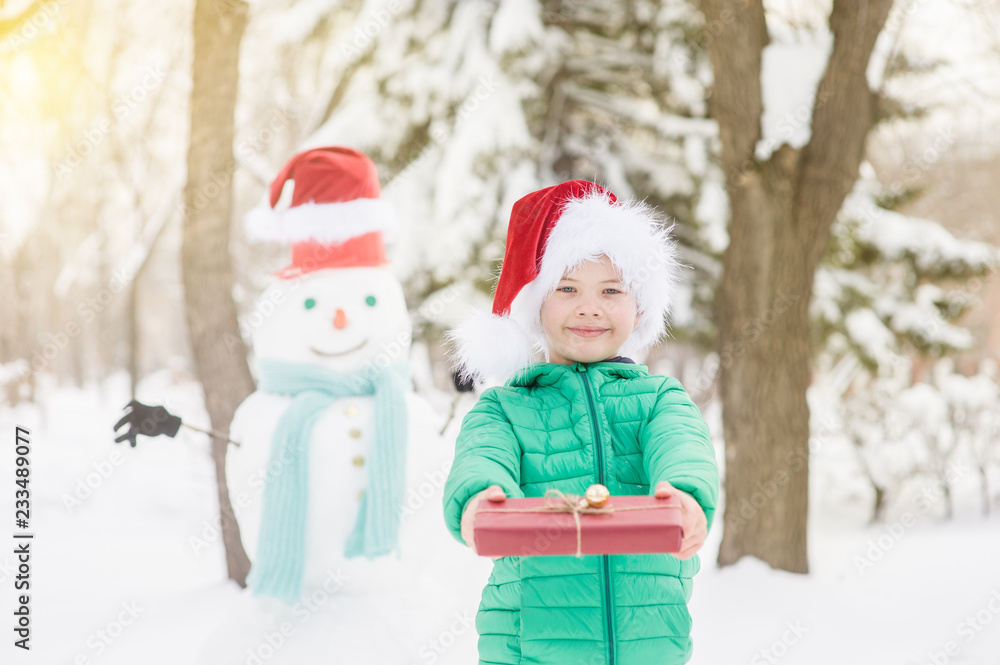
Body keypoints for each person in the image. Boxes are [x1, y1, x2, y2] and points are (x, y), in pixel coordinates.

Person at [441, 180, 720, 665]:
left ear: (638, 308)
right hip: (529, 644)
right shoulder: (505, 408)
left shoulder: (658, 399)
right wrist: (481, 498)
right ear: (537, 305)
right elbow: (481, 456)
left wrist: (685, 494)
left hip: (648, 642)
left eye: (611, 290)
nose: (590, 307)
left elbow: (682, 444)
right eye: (567, 288)